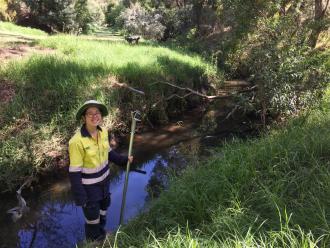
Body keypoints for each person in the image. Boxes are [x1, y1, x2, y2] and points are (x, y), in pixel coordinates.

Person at [68, 100, 133, 242]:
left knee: (103, 211)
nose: (94, 116)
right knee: (92, 218)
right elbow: (74, 172)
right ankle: (94, 241)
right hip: (89, 189)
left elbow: (108, 152)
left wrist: (123, 160)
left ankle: (102, 236)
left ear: (101, 116)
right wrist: (80, 197)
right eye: (89, 113)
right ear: (84, 118)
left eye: (97, 112)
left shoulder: (103, 132)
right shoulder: (76, 142)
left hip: (105, 183)